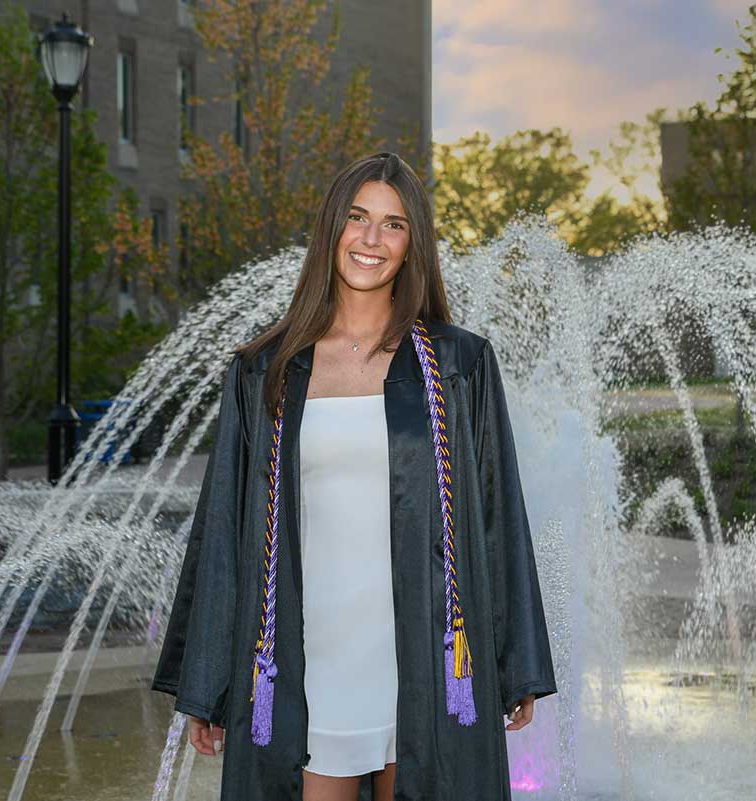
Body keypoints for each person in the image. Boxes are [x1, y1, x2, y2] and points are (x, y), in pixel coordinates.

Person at [151, 152, 557, 801]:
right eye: (358, 218)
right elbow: (226, 526)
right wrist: (209, 679)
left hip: (426, 654)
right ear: (331, 229)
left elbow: (495, 510)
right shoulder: (265, 370)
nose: (372, 239)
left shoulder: (458, 364)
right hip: (307, 656)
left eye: (393, 225)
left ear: (412, 243)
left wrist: (516, 664)